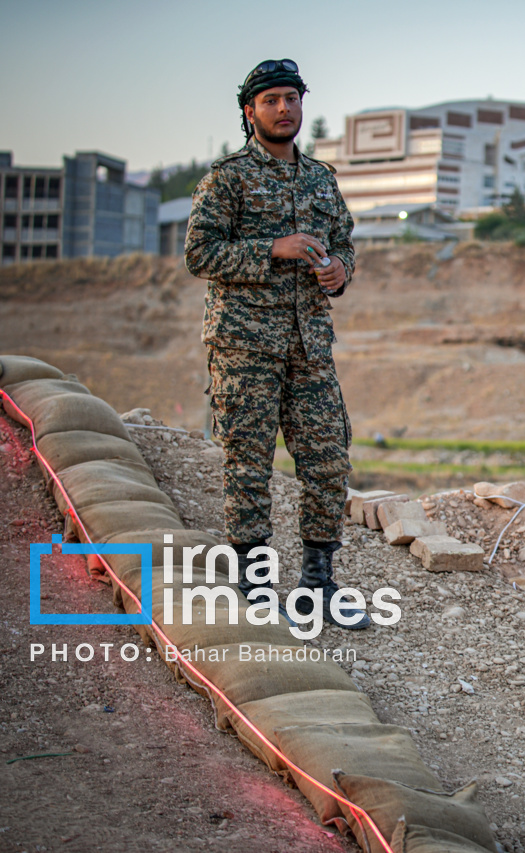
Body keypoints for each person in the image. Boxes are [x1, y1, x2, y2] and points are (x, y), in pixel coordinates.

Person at [185, 58, 368, 630]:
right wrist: (273, 249)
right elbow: (199, 254)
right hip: (244, 348)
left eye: (291, 98)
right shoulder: (227, 178)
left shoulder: (320, 178)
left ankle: (317, 584)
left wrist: (340, 269)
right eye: (271, 101)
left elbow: (345, 243)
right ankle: (255, 588)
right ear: (250, 111)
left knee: (328, 460)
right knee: (249, 465)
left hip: (309, 344)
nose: (284, 109)